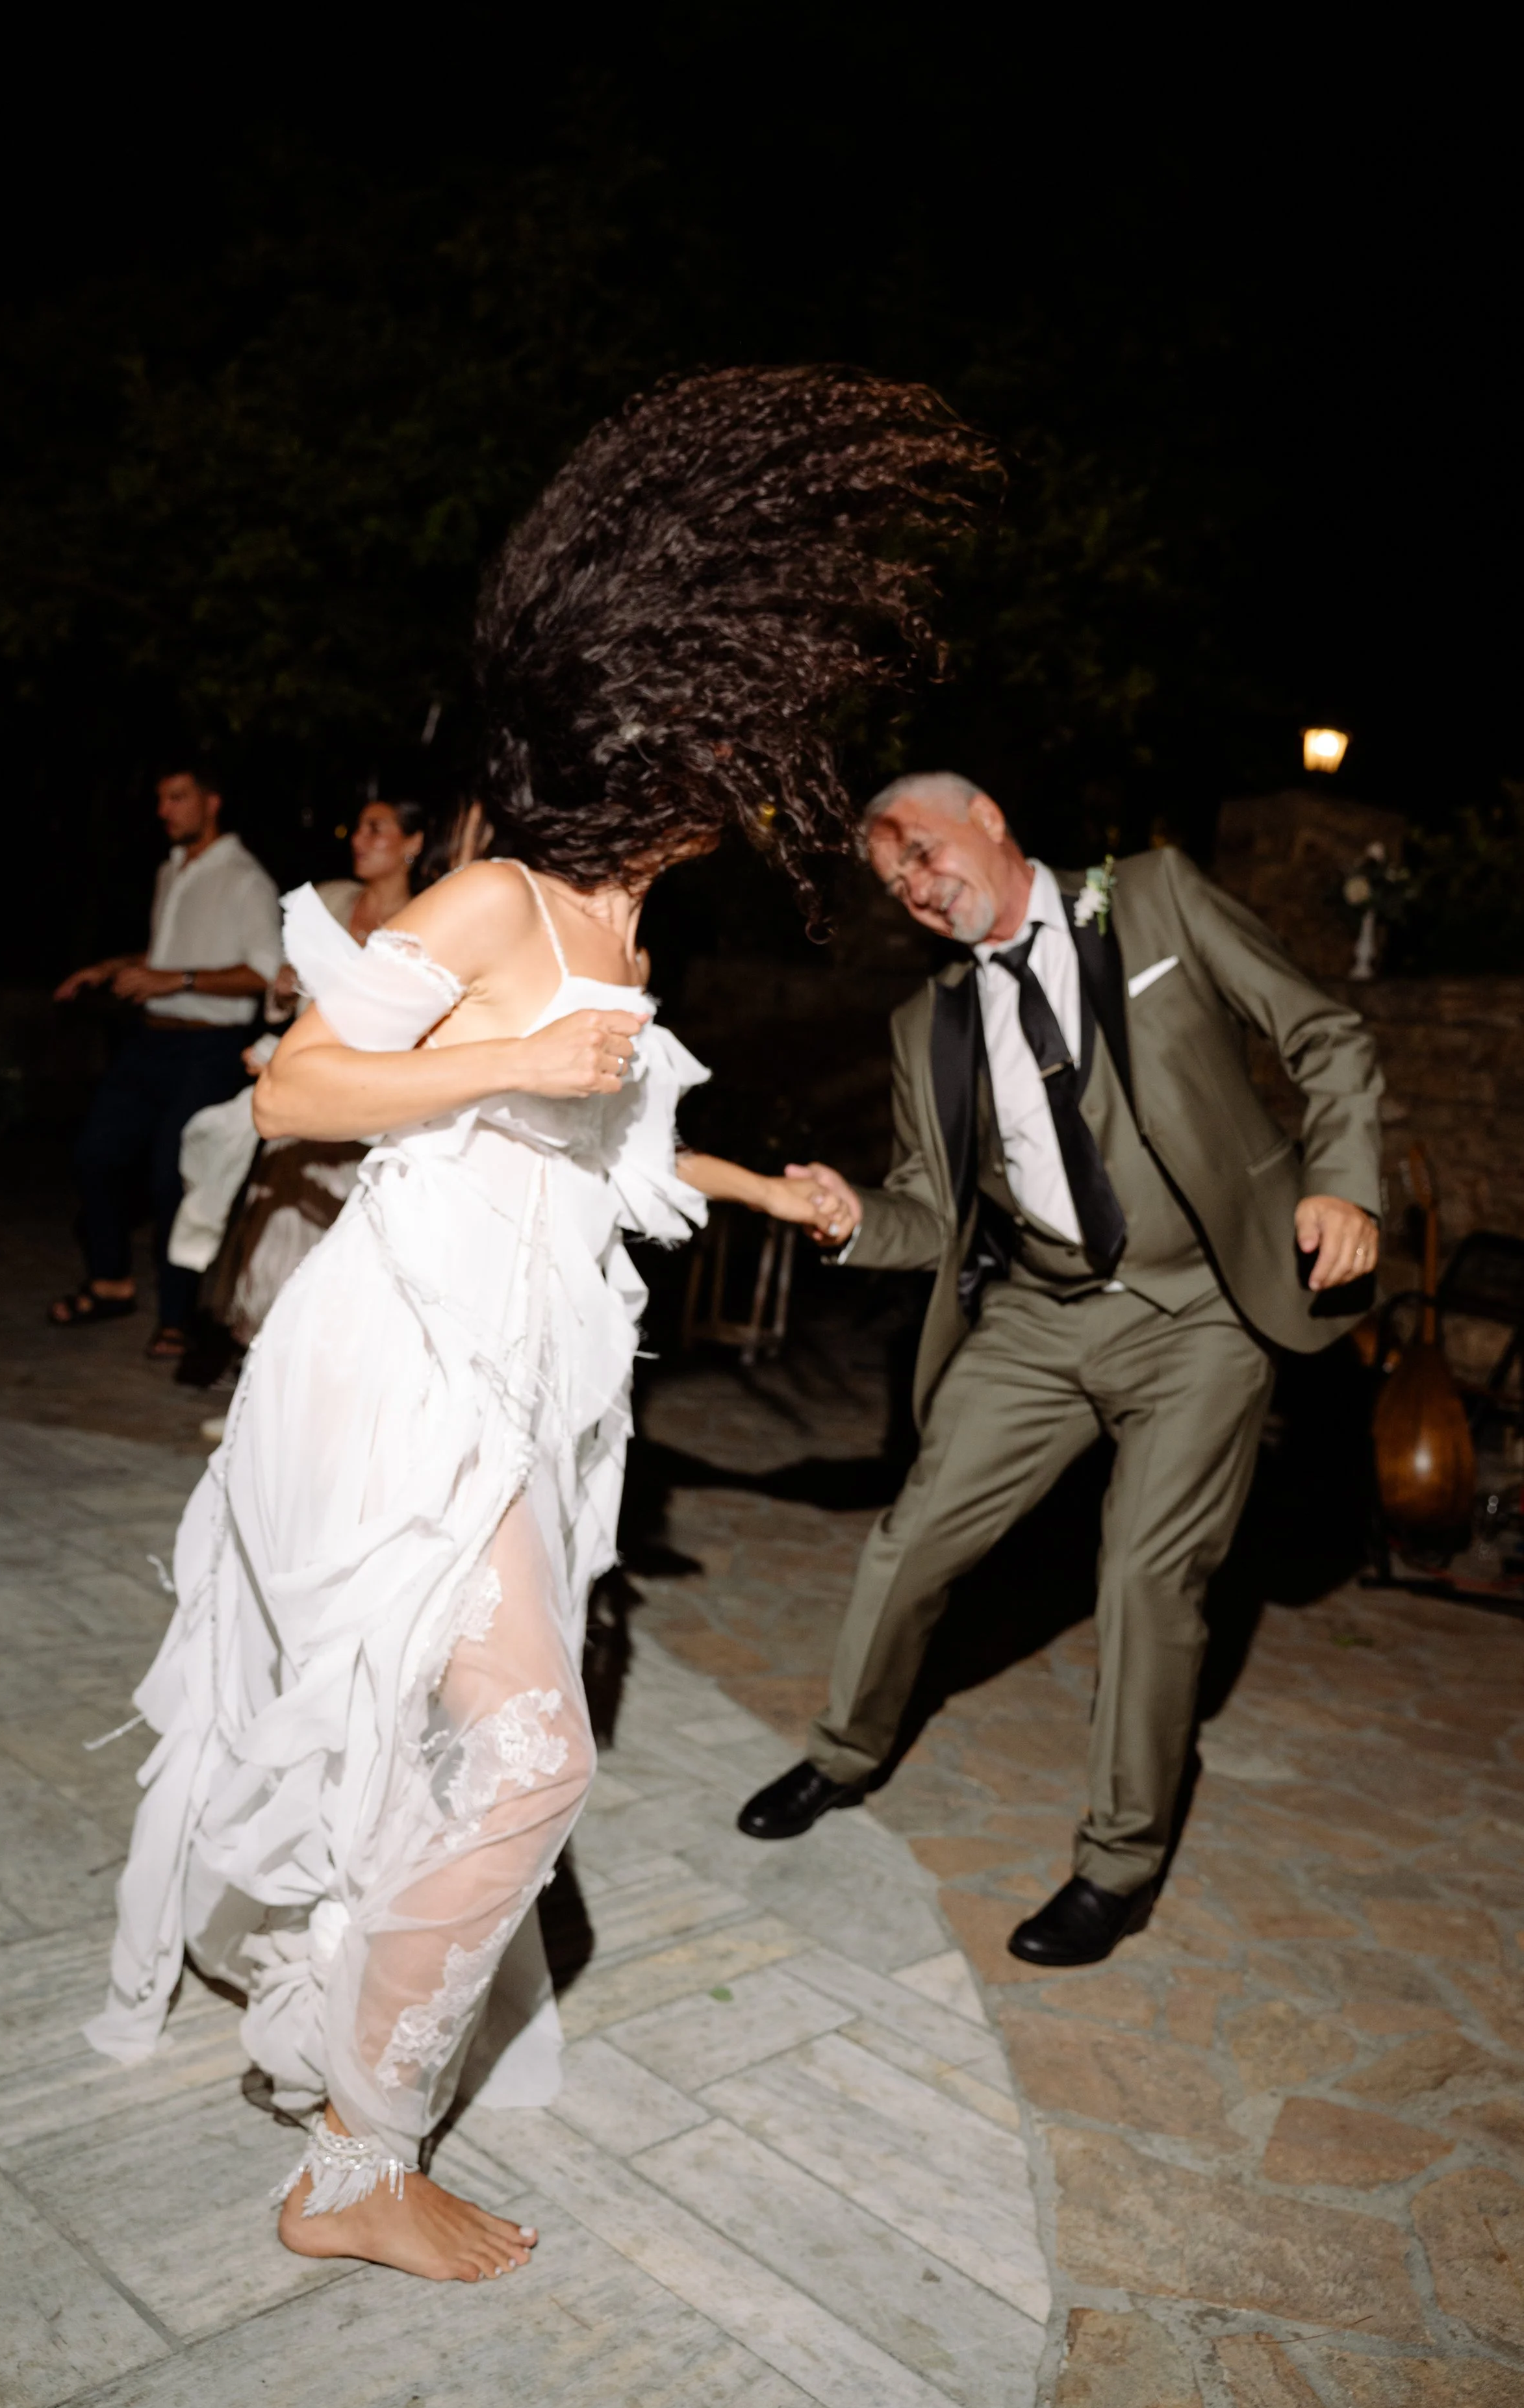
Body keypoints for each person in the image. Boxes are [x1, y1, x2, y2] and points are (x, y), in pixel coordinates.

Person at [83, 368, 993, 2287]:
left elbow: (600, 1134)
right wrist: (499, 1047)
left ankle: (356, 2121)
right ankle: (352, 2162)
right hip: (398, 1362)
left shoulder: (617, 930)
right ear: (652, 742)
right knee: (526, 1758)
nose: (750, 786)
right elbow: (310, 1086)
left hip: (507, 1368)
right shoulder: (501, 896)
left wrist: (763, 1189)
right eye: (727, 749)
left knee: (487, 1753)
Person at [741, 772, 1382, 1970]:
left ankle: (1119, 1864)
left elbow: (1323, 1031)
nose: (920, 890)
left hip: (1200, 1311)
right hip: (1040, 1314)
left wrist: (1342, 1177)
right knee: (914, 1535)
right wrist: (847, 1216)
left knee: (1146, 1575)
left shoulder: (1155, 901)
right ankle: (843, 1750)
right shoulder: (923, 1025)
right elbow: (928, 1215)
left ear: (989, 818)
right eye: (896, 885)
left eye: (925, 854)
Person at [171, 799, 434, 1353]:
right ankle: (262, 1382)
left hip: (359, 1109)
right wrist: (283, 989)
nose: (358, 839)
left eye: (375, 829)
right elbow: (284, 993)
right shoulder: (333, 899)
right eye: (358, 827)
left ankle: (318, 1378)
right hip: (297, 1094)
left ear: (413, 843)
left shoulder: (427, 922)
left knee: (334, 1257)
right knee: (271, 1249)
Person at [50, 767, 283, 1360]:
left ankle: (179, 1316)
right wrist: (109, 968)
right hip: (151, 1040)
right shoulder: (170, 869)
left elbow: (263, 972)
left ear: (213, 801)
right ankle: (111, 1282)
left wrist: (173, 978)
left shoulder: (244, 878)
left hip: (208, 1048)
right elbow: (169, 955)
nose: (164, 809)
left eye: (177, 797)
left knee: (175, 1176)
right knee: (96, 1155)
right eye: (159, 798)